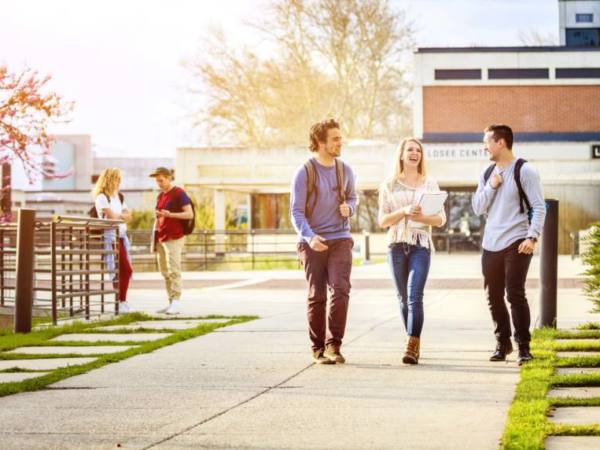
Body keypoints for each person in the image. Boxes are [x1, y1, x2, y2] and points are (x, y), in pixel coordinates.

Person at [472, 124, 546, 365]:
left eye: (487, 142)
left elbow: (539, 206)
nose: (485, 147)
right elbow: (478, 208)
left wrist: (532, 237)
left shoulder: (525, 171)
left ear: (501, 142)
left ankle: (524, 347)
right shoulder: (486, 174)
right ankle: (503, 342)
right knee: (493, 296)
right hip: (491, 242)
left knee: (514, 293)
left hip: (517, 241)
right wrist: (492, 186)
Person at [290, 119, 357, 365]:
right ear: (320, 142)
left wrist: (349, 209)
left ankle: (333, 345)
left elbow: (353, 199)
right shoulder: (304, 172)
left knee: (340, 290)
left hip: (340, 239)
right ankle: (318, 348)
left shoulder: (345, 170)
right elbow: (295, 212)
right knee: (317, 295)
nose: (340, 142)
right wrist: (309, 236)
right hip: (312, 241)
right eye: (335, 139)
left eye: (340, 138)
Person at [378, 138, 446, 365]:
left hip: (420, 245)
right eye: (410, 149)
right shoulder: (389, 185)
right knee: (403, 299)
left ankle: (411, 344)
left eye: (418, 150)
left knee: (415, 296)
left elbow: (440, 220)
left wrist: (420, 217)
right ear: (401, 154)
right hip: (396, 246)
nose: (415, 153)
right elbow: (383, 221)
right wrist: (404, 211)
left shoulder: (429, 184)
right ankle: (413, 340)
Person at [150, 167, 194, 315]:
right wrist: (154, 239)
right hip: (161, 238)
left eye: (161, 180)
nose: (159, 184)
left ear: (169, 178)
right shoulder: (161, 196)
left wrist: (171, 215)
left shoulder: (179, 193)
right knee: (165, 272)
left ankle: (176, 302)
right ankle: (171, 303)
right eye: (157, 181)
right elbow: (158, 218)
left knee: (174, 270)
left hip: (174, 237)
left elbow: (189, 214)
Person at [93, 168, 134, 313]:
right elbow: (111, 217)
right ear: (109, 179)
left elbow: (129, 216)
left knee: (124, 270)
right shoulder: (102, 197)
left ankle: (122, 301)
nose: (119, 182)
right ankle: (121, 301)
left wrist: (119, 216)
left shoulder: (119, 196)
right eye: (117, 179)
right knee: (125, 270)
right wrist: (120, 215)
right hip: (111, 237)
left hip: (122, 236)